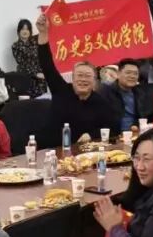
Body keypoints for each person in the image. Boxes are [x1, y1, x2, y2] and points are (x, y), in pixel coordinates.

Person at [36, 13, 117, 146]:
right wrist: (43, 33)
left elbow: (113, 128)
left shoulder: (100, 102)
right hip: (52, 149)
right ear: (72, 78)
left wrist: (91, 135)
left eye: (88, 76)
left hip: (82, 153)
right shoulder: (61, 90)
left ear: (94, 81)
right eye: (79, 75)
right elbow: (47, 64)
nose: (83, 79)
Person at [100, 58, 153, 133]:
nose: (132, 76)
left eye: (135, 73)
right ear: (118, 74)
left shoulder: (140, 93)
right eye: (128, 72)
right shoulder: (106, 92)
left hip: (135, 134)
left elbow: (145, 116)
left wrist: (136, 125)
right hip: (114, 136)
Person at [11, 18, 47, 97]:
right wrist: (36, 74)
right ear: (19, 31)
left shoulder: (35, 41)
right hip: (25, 78)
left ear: (30, 31)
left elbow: (45, 33)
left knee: (42, 101)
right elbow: (22, 64)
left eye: (27, 29)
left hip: (40, 78)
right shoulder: (16, 46)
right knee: (28, 101)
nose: (25, 31)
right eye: (23, 29)